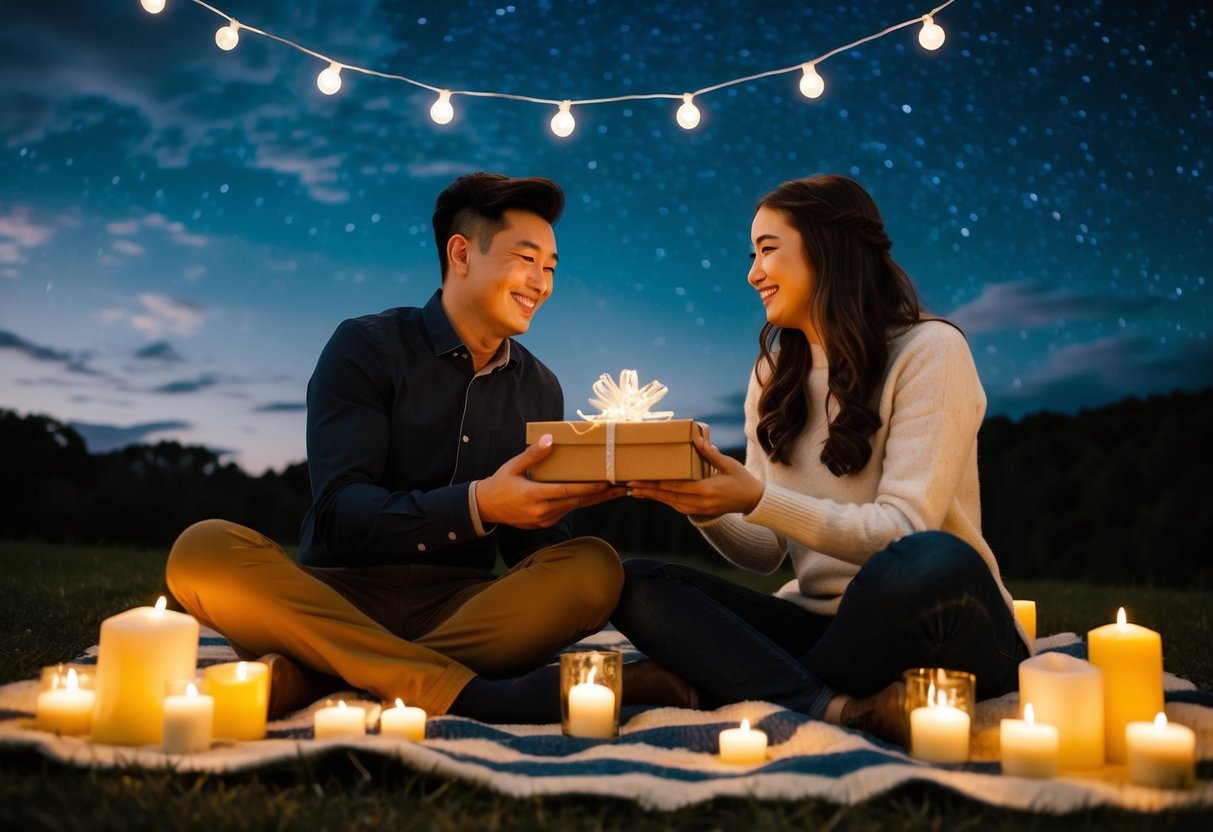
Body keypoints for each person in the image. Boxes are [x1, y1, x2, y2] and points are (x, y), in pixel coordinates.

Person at [167, 173, 629, 723]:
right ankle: (466, 690)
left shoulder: (540, 387)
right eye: (527, 259)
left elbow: (537, 555)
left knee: (593, 567)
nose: (542, 283)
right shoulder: (365, 346)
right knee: (202, 550)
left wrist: (568, 502)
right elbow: (340, 513)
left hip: (465, 608)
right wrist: (478, 505)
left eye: (550, 268)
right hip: (335, 595)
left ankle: (322, 674)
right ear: (461, 253)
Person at [612, 174, 1031, 746]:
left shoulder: (930, 352)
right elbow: (765, 553)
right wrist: (699, 500)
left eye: (767, 250)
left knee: (930, 560)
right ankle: (834, 707)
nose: (752, 274)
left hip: (935, 617)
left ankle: (732, 680)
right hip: (821, 629)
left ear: (828, 248)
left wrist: (758, 498)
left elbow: (904, 529)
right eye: (752, 254)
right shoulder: (771, 377)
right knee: (638, 580)